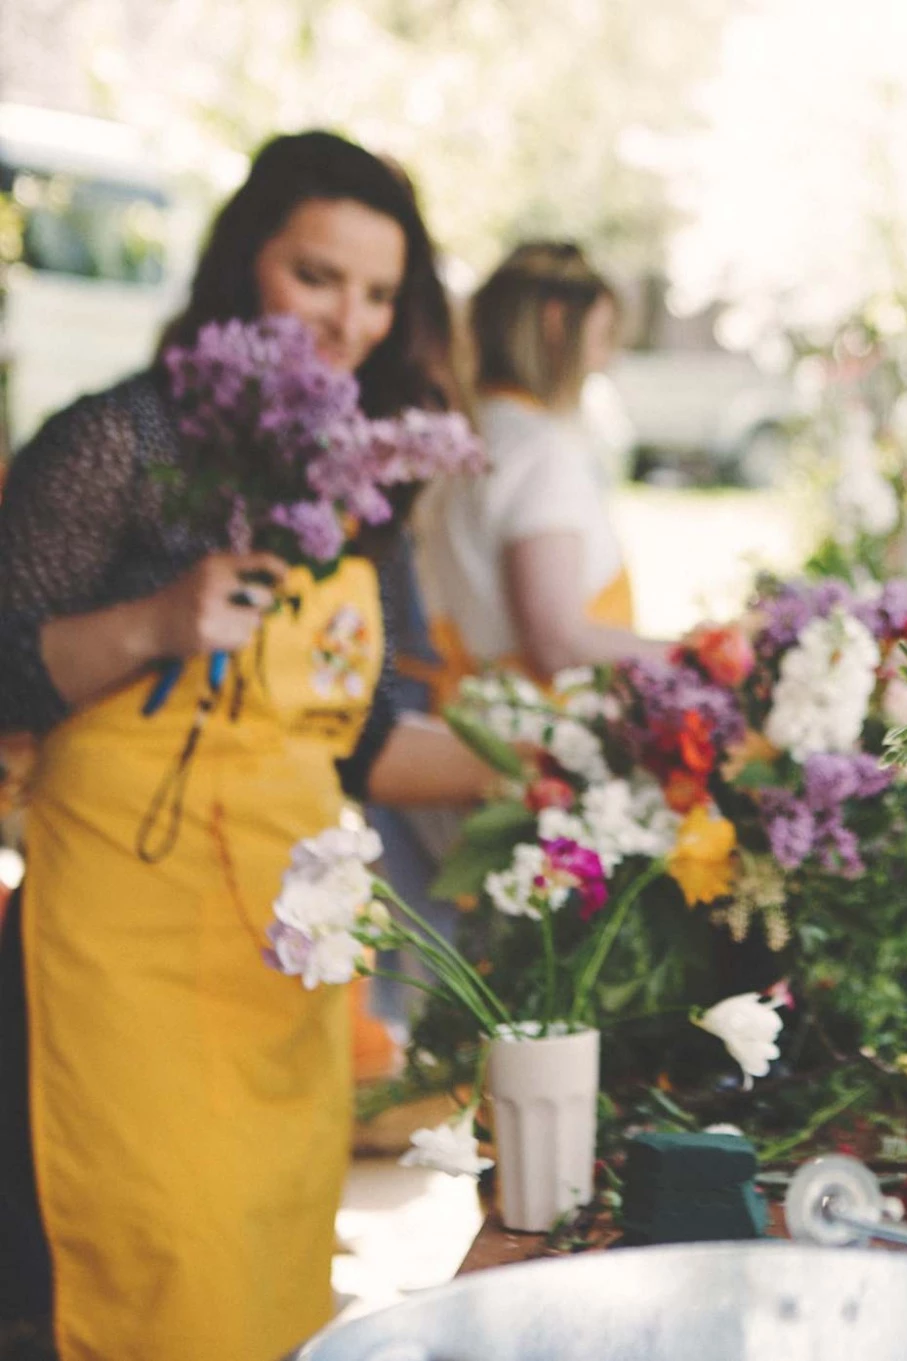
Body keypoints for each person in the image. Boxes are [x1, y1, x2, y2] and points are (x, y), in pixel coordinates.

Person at [0, 130, 498, 1361]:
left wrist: (544, 766)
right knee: (154, 1253)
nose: (352, 320)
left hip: (285, 946)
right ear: (242, 268)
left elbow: (365, 740)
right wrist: (156, 623)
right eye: (319, 276)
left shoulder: (358, 485)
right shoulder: (120, 441)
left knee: (271, 1267)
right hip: (123, 945)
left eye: (381, 293)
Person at [415, 241, 649, 694]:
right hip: (526, 737)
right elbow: (557, 642)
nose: (605, 361)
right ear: (556, 324)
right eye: (601, 340)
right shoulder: (540, 454)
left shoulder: (459, 436)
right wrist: (698, 655)